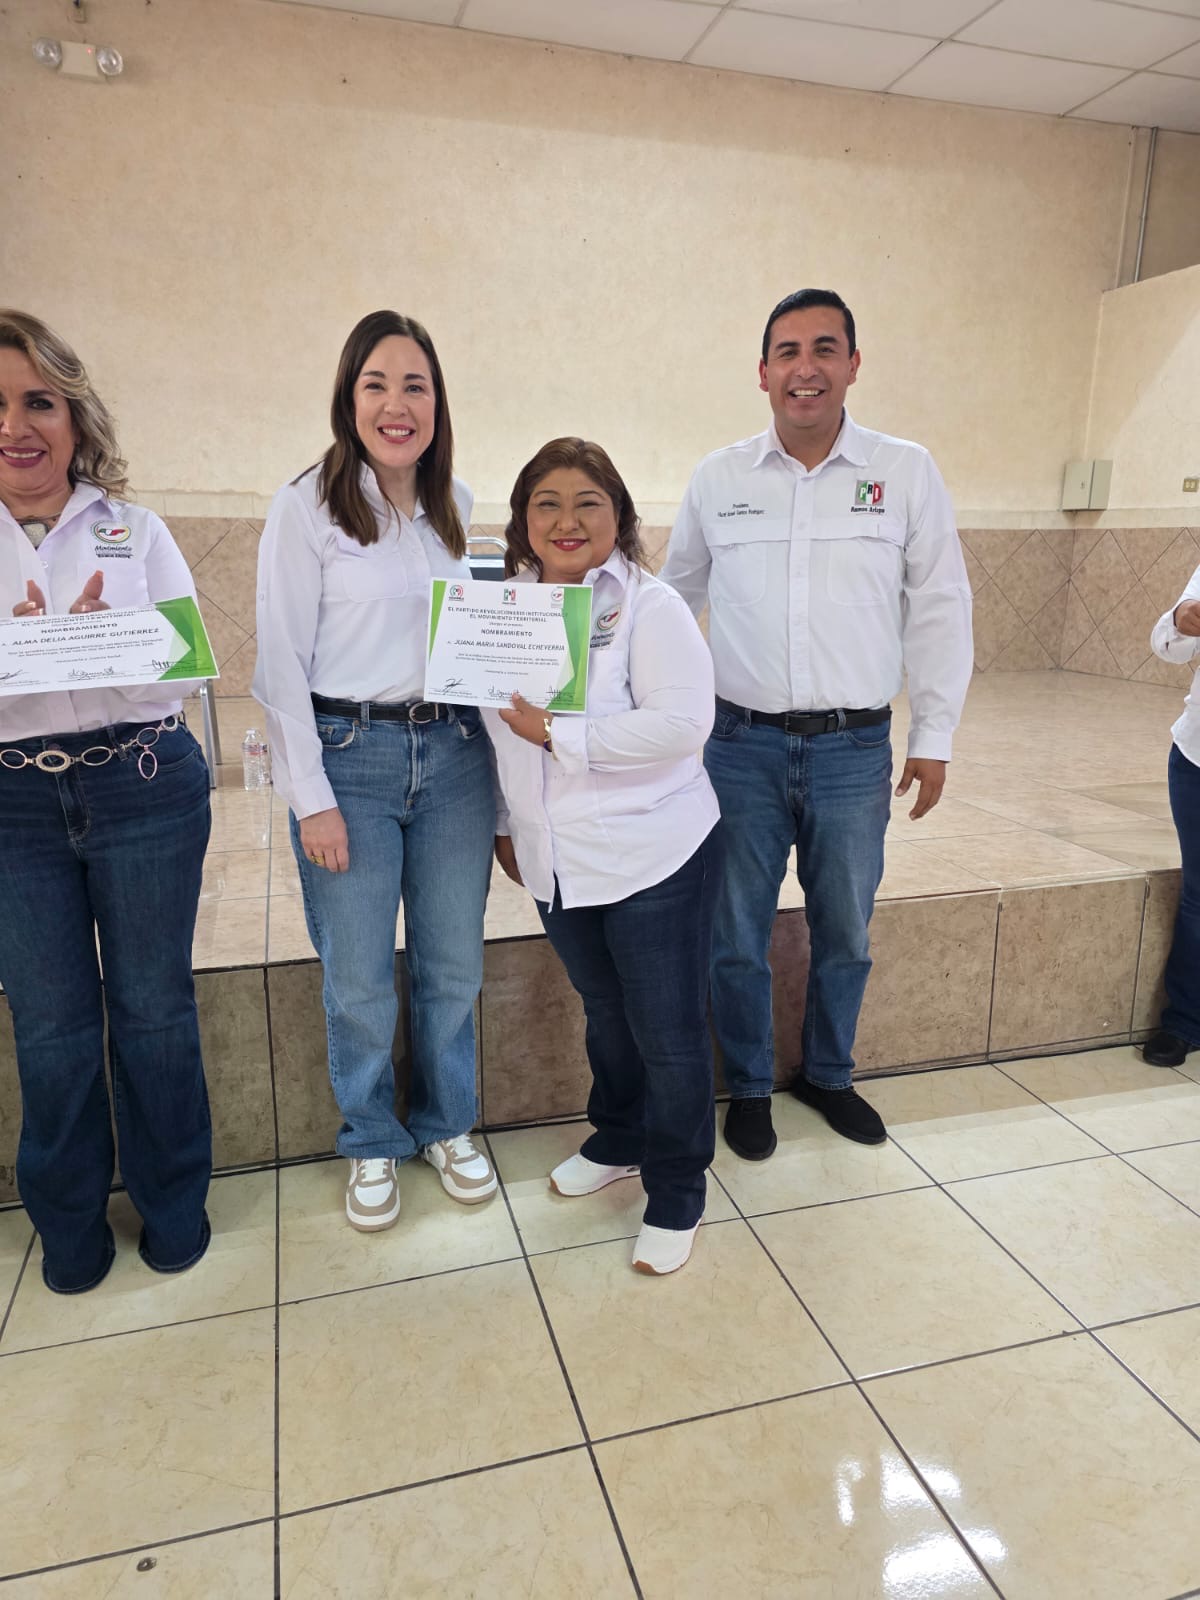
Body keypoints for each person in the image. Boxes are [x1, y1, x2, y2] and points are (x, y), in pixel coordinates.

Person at [661, 289, 973, 1160]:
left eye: (825, 349)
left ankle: (830, 1074)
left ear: (853, 365)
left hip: (852, 750)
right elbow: (671, 601)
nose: (807, 369)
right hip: (738, 748)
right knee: (734, 932)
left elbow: (941, 605)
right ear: (762, 372)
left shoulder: (904, 472)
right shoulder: (719, 478)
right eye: (789, 352)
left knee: (845, 929)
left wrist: (934, 736)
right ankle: (750, 1085)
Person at [254, 310, 496, 1232]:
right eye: (377, 385)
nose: (398, 405)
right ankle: (369, 1135)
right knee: (357, 974)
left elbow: (474, 647)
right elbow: (279, 667)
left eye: (415, 386)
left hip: (454, 758)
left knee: (452, 964)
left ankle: (447, 1123)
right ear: (348, 398)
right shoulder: (305, 507)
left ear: (438, 403)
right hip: (349, 760)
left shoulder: (453, 504)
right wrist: (310, 798)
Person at [0, 310, 212, 1293]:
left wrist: (98, 646)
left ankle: (175, 1209)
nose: (16, 426)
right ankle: (71, 1231)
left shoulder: (137, 531)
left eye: (38, 401)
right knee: (49, 1027)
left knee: (154, 1011)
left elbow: (184, 671)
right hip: (13, 807)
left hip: (143, 786)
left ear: (75, 417)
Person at [486, 437, 722, 1275]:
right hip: (557, 858)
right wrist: (507, 825)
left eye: (587, 502)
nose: (567, 520)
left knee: (667, 1027)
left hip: (654, 853)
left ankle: (678, 1185)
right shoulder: (503, 612)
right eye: (546, 502)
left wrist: (560, 734)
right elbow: (493, 735)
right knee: (606, 1011)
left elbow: (683, 724)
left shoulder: (650, 607)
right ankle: (621, 1135)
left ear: (618, 514)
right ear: (522, 520)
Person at [1143, 573, 1200, 1067]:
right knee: (1199, 896)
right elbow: (1169, 645)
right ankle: (1185, 1020)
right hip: (1197, 757)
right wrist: (1181, 620)